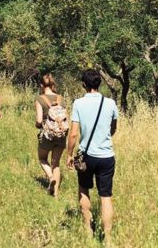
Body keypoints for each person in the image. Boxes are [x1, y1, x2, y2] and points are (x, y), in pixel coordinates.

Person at [66, 69, 119, 242]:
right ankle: (108, 239)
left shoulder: (78, 104)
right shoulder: (110, 103)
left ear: (83, 84)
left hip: (86, 156)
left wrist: (69, 154)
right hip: (106, 156)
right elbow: (113, 128)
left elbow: (73, 134)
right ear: (99, 83)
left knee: (84, 190)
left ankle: (88, 232)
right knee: (106, 197)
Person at [35, 73, 67, 197]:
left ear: (42, 85)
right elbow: (65, 118)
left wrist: (38, 125)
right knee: (56, 163)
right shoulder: (60, 98)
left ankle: (51, 178)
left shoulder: (40, 99)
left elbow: (38, 120)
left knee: (42, 158)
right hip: (61, 134)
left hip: (47, 135)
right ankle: (56, 194)